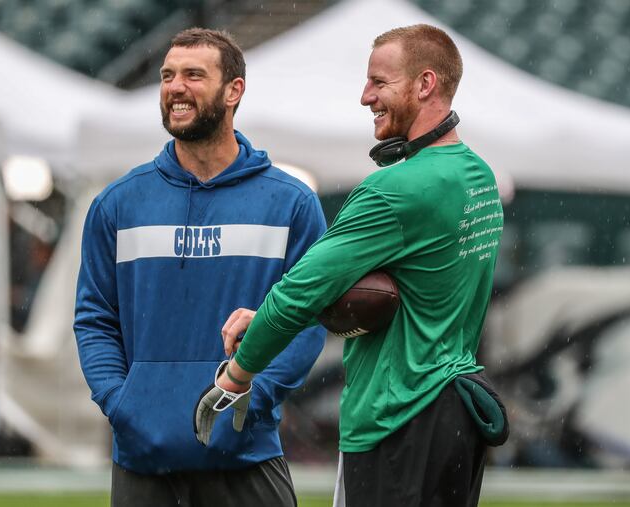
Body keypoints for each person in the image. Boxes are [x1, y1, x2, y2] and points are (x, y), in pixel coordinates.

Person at [195, 24, 507, 507]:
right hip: (456, 416)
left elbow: (299, 292)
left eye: (379, 83)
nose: (366, 97)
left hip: (396, 416)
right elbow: (421, 290)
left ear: (425, 84)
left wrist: (236, 376)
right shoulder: (479, 177)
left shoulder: (393, 191)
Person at [74, 28, 327, 507]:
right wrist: (121, 403)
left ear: (234, 90)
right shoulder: (118, 204)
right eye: (168, 76)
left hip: (246, 453)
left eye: (194, 75)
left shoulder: (291, 204)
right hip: (142, 459)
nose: (175, 87)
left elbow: (308, 321)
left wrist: (252, 398)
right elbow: (95, 320)